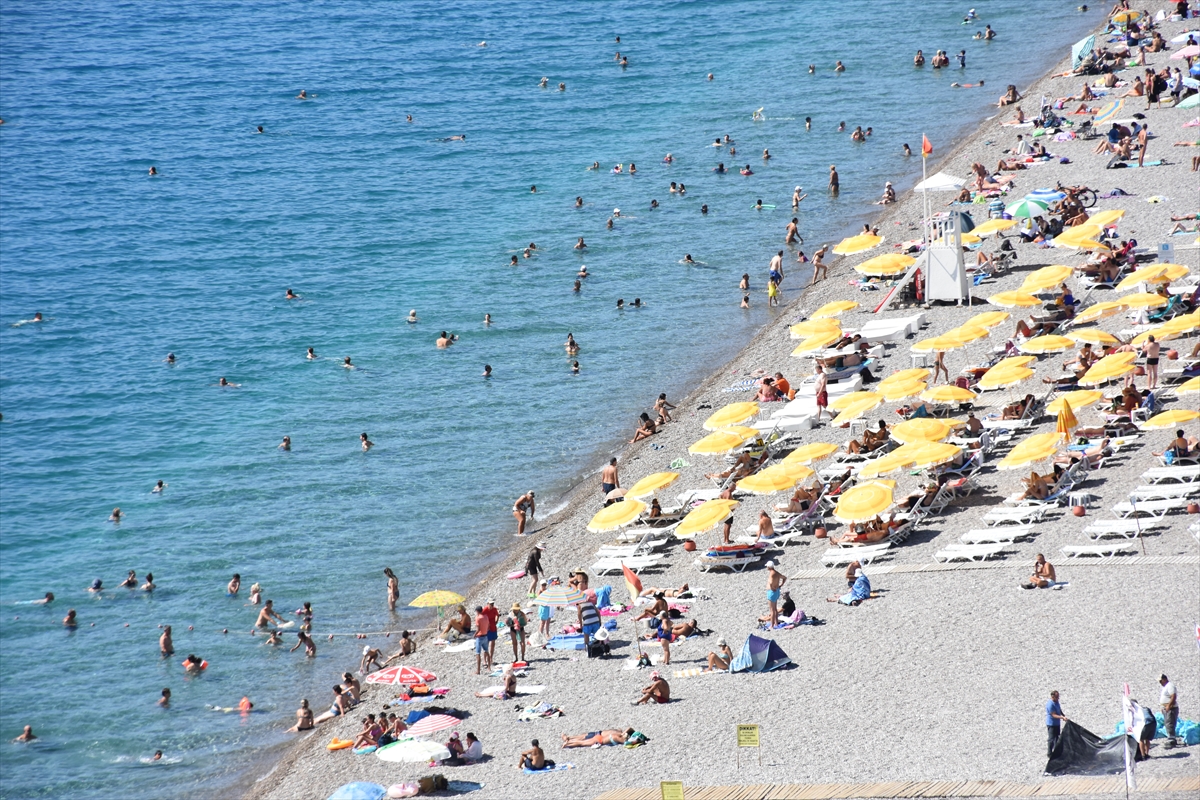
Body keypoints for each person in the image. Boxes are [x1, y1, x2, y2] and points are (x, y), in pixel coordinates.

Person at [1046, 690, 1067, 756]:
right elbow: (1053, 715)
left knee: (1057, 738)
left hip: (1057, 723)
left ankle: (1056, 751)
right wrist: (1062, 718)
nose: (1058, 698)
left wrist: (1063, 715)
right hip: (1051, 724)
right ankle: (1049, 753)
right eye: (1057, 697)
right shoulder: (1050, 704)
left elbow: (1059, 709)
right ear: (1053, 697)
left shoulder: (1056, 701)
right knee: (1051, 738)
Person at [765, 561, 786, 626]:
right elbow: (784, 577)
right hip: (777, 591)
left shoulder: (771, 574)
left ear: (768, 567)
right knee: (775, 609)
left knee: (772, 610)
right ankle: (776, 623)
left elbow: (771, 582)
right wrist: (781, 584)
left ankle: (772, 625)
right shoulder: (776, 573)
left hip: (771, 592)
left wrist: (771, 587)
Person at [1160, 674, 1178, 748]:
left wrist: (1168, 705)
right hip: (1166, 708)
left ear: (1164, 679)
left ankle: (1172, 739)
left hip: (1171, 708)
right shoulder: (1166, 687)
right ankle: (1170, 737)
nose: (1160, 682)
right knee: (1167, 722)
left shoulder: (1170, 686)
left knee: (1169, 722)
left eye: (1160, 681)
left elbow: (1173, 696)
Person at [473, 605, 490, 675]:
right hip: (485, 636)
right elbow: (488, 626)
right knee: (486, 652)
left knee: (478, 654)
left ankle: (478, 670)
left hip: (479, 637)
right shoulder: (486, 616)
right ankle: (489, 668)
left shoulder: (478, 618)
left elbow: (478, 629)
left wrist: (474, 635)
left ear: (477, 611)